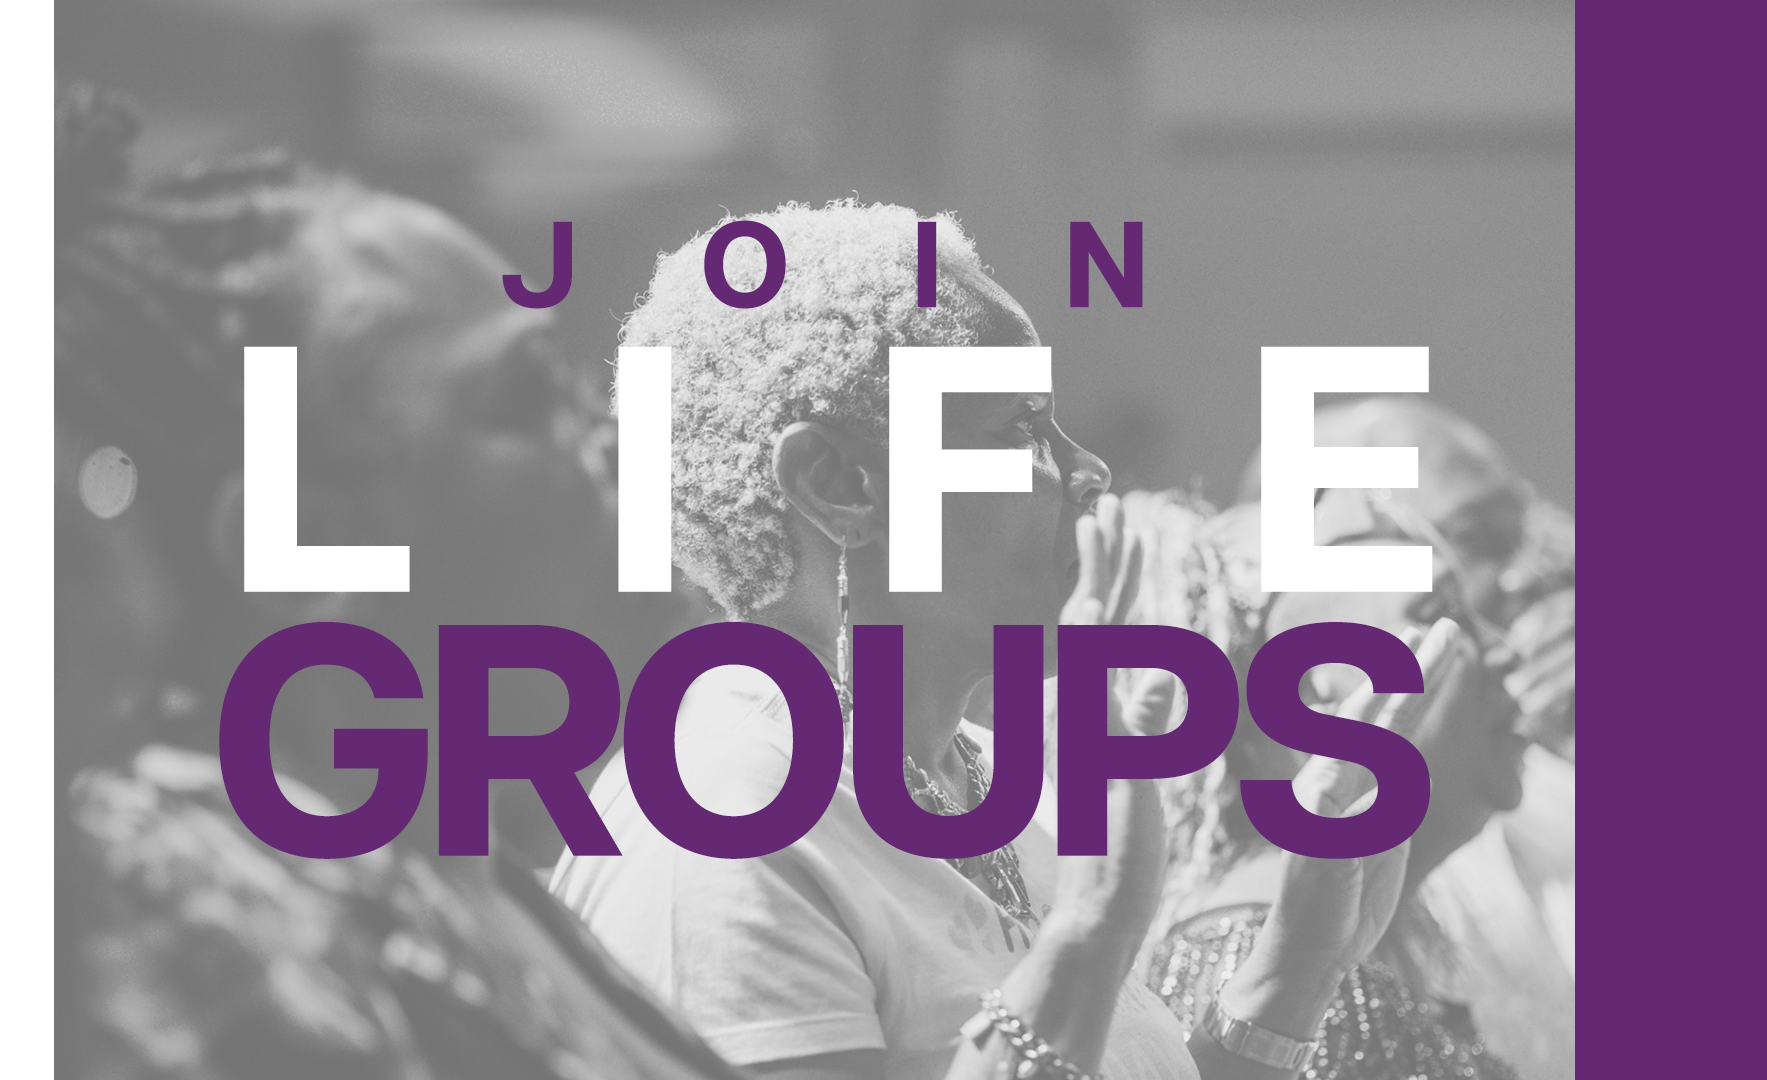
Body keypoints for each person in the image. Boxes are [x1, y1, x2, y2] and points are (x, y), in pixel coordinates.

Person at [552, 201, 1433, 1080]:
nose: (1086, 471)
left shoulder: (987, 782)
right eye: (1021, 428)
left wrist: (1293, 968)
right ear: (840, 485)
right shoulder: (725, 817)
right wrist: (1091, 932)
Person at [57, 85, 734, 1080]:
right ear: (304, 543)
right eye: (526, 393)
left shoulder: (450, 869)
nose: (616, 438)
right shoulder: (194, 917)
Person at [1125, 394, 1574, 1080]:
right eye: (1438, 616)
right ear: (1312, 688)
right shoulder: (1260, 967)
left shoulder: (1362, 959)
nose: (1501, 648)